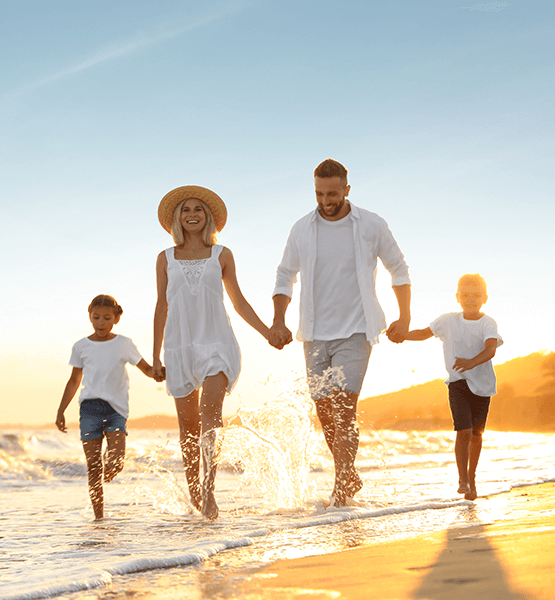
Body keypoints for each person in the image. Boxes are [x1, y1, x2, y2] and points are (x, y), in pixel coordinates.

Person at [269, 159, 411, 507]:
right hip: (315, 333)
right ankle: (348, 471)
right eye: (319, 193)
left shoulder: (371, 225)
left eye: (332, 193)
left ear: (347, 189)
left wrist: (404, 317)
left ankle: (341, 487)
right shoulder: (302, 228)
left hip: (357, 329)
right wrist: (278, 320)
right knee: (323, 409)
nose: (326, 200)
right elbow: (285, 274)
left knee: (344, 406)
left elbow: (399, 267)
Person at [153, 185, 271, 520]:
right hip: (179, 347)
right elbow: (161, 305)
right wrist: (155, 356)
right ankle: (194, 494)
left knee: (210, 418)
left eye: (198, 210)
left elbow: (239, 301)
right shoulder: (165, 258)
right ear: (177, 217)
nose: (192, 215)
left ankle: (208, 491)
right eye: (186, 210)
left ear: (208, 218)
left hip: (217, 342)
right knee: (187, 427)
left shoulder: (223, 255)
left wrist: (266, 333)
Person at [395, 274, 503, 500]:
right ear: (457, 297)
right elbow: (425, 333)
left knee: (476, 434)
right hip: (457, 383)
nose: (470, 299)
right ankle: (462, 479)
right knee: (463, 431)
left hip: (482, 387)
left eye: (475, 295)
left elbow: (491, 349)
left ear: (484, 298)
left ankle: (472, 477)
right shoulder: (447, 321)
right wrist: (402, 335)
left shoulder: (487, 323)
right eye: (465, 295)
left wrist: (470, 363)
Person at [56, 295, 159, 520]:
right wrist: (61, 410)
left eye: (106, 318)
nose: (101, 323)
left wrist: (160, 373)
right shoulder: (81, 346)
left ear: (116, 318)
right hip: (89, 409)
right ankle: (99, 518)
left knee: (116, 460)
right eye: (96, 317)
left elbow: (147, 369)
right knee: (93, 467)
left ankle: (110, 467)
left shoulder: (124, 343)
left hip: (116, 410)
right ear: (89, 316)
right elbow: (74, 380)